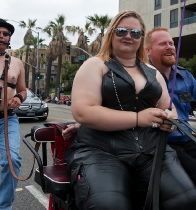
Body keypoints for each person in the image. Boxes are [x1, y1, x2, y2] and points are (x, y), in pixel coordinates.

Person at [67, 11, 196, 210]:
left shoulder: (153, 72)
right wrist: (138, 118)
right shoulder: (94, 65)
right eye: (122, 31)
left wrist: (169, 121)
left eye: (135, 33)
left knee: (186, 199)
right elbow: (83, 112)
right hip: (100, 151)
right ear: (111, 34)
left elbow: (170, 110)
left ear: (141, 38)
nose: (129, 36)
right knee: (108, 205)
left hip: (152, 151)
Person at [145, 27, 196, 185]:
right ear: (148, 50)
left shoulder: (185, 76)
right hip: (160, 144)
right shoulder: (140, 78)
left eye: (171, 43)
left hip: (187, 138)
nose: (169, 47)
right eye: (162, 44)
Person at [0, 18, 26, 210]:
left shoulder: (17, 63)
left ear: (9, 38)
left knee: (13, 161)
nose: (2, 36)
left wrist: (19, 97)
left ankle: (5, 207)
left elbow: (23, 90)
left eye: (6, 34)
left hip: (7, 120)